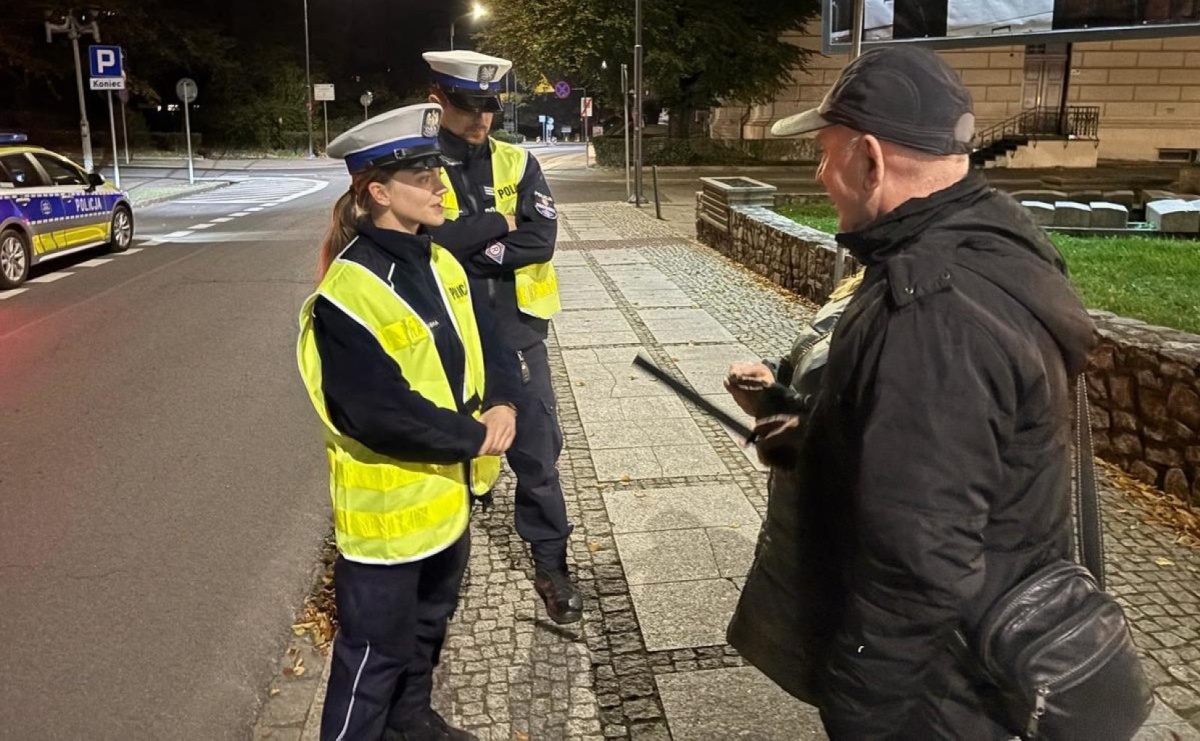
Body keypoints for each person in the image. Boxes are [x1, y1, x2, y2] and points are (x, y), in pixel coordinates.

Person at [724, 46, 1097, 738]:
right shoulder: (985, 242)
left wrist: (860, 711)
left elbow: (919, 563)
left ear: (870, 158)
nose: (819, 174)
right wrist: (807, 426)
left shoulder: (933, 314)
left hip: (941, 689)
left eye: (826, 153)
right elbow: (927, 442)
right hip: (971, 652)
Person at [296, 102, 521, 741]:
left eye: (437, 173)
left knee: (426, 633)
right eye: (423, 178)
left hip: (448, 503)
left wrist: (505, 402)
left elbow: (491, 344)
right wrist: (476, 436)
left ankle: (412, 723)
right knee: (372, 660)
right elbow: (377, 413)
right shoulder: (349, 292)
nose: (441, 186)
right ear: (378, 192)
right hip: (388, 528)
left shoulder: (440, 261)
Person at [420, 49, 582, 625]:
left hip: (516, 333)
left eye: (489, 107)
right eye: (468, 106)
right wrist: (497, 226)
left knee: (538, 453)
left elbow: (541, 240)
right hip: (446, 334)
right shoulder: (417, 163)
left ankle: (551, 566)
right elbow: (425, 241)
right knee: (445, 452)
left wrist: (472, 245)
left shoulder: (517, 161)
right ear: (437, 100)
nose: (482, 119)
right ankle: (438, 573)